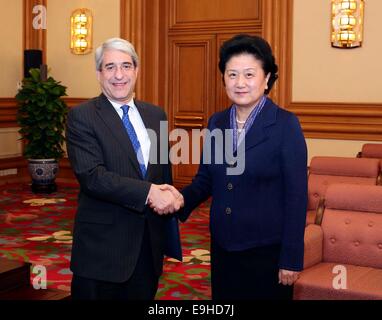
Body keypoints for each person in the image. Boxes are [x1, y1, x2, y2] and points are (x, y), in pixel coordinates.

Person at [159, 34, 308, 300]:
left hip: (266, 251)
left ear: (267, 79)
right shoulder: (217, 122)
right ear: (223, 79)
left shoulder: (286, 125)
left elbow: (296, 197)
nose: (240, 83)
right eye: (232, 74)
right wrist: (181, 198)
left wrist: (291, 258)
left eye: (249, 74)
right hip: (223, 246)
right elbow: (206, 179)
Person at [66, 37, 183, 300]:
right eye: (110, 67)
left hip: (148, 246)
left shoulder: (156, 114)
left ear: (136, 70)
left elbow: (162, 172)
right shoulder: (82, 116)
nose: (119, 75)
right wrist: (150, 193)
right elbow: (92, 177)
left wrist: (172, 195)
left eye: (126, 66)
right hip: (103, 251)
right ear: (98, 73)